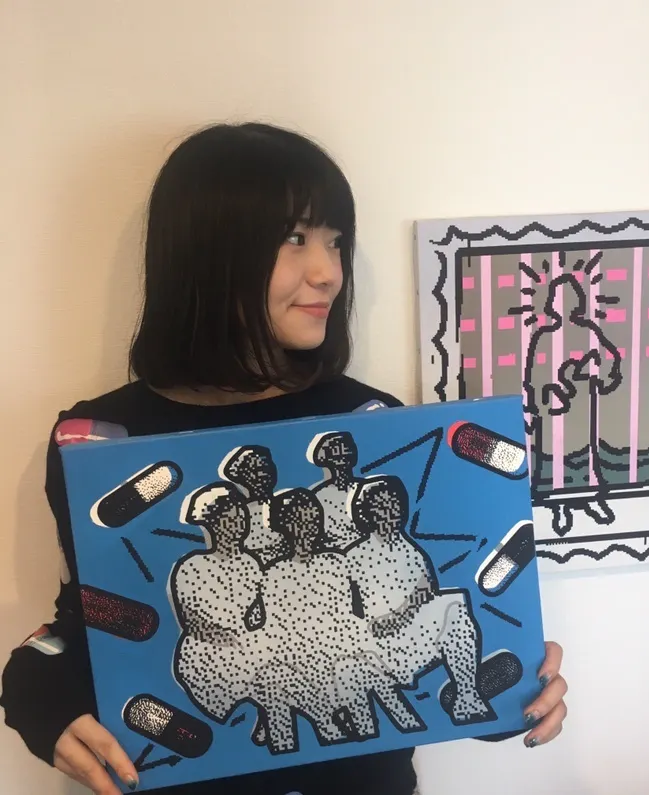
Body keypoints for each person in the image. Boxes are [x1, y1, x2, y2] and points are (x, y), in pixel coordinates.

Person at [0, 122, 568, 795]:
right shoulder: (101, 440)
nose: (328, 271)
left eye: (336, 240)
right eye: (296, 238)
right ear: (208, 250)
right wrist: (35, 694)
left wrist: (519, 690)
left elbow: (443, 620)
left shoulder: (376, 421)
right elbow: (87, 622)